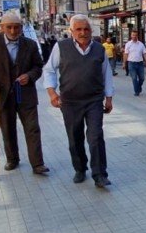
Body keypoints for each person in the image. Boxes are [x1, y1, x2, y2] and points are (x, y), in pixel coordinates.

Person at [0, 12, 49, 175]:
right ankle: (12, 159)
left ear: (21, 27)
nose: (13, 31)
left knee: (32, 128)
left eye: (17, 27)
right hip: (2, 93)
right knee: (8, 128)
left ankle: (37, 164)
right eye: (10, 27)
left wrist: (29, 76)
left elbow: (38, 66)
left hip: (25, 94)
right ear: (2, 27)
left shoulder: (30, 45)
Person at [43, 14, 114, 188]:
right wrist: (52, 94)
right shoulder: (61, 47)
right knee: (75, 137)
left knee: (96, 136)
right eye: (79, 29)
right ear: (71, 31)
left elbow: (107, 75)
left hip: (94, 100)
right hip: (70, 102)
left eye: (86, 29)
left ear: (91, 30)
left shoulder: (99, 49)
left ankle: (99, 174)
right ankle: (80, 168)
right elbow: (49, 70)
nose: (83, 32)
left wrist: (109, 98)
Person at [124, 30, 146, 96]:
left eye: (135, 35)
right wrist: (124, 63)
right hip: (131, 63)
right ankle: (136, 91)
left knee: (142, 78)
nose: (134, 36)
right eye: (133, 35)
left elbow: (144, 53)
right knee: (134, 78)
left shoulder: (141, 44)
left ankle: (139, 87)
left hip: (140, 63)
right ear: (131, 36)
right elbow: (126, 54)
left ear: (137, 36)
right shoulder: (128, 44)